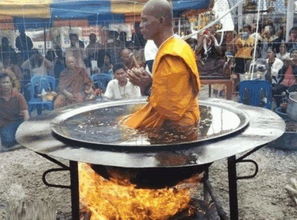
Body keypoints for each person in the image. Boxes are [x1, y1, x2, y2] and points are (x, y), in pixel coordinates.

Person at [123, 0, 200, 130]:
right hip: (176, 119)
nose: (140, 26)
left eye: (145, 20)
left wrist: (147, 86)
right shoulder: (174, 46)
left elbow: (171, 109)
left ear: (161, 21)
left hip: (177, 127)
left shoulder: (171, 55)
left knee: (124, 128)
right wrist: (151, 82)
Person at [0, 73, 29, 149]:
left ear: (11, 83)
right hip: (6, 124)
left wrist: (27, 127)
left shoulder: (18, 96)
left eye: (7, 82)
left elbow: (26, 112)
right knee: (7, 140)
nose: (6, 85)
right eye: (3, 83)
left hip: (19, 122)